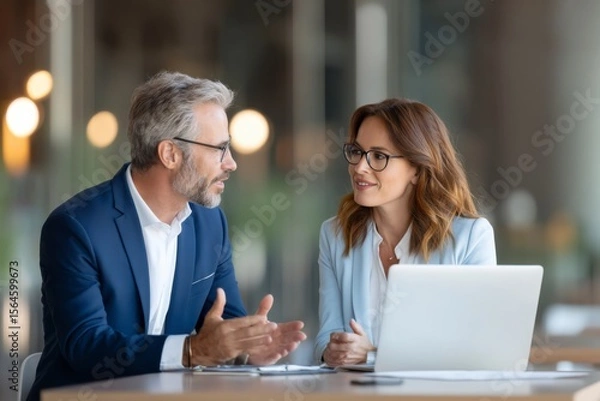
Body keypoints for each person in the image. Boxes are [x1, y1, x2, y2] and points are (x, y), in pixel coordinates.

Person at [29, 71, 306, 401]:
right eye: (219, 149)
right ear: (170, 154)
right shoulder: (76, 227)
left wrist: (247, 347)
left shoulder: (209, 223)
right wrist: (191, 351)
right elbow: (87, 346)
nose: (231, 163)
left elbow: (225, 325)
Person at [314, 98, 496, 366]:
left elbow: (477, 350)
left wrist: (373, 355)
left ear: (416, 169)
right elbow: (326, 337)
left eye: (378, 156)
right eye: (357, 152)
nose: (359, 167)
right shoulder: (335, 235)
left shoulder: (470, 238)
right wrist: (332, 351)